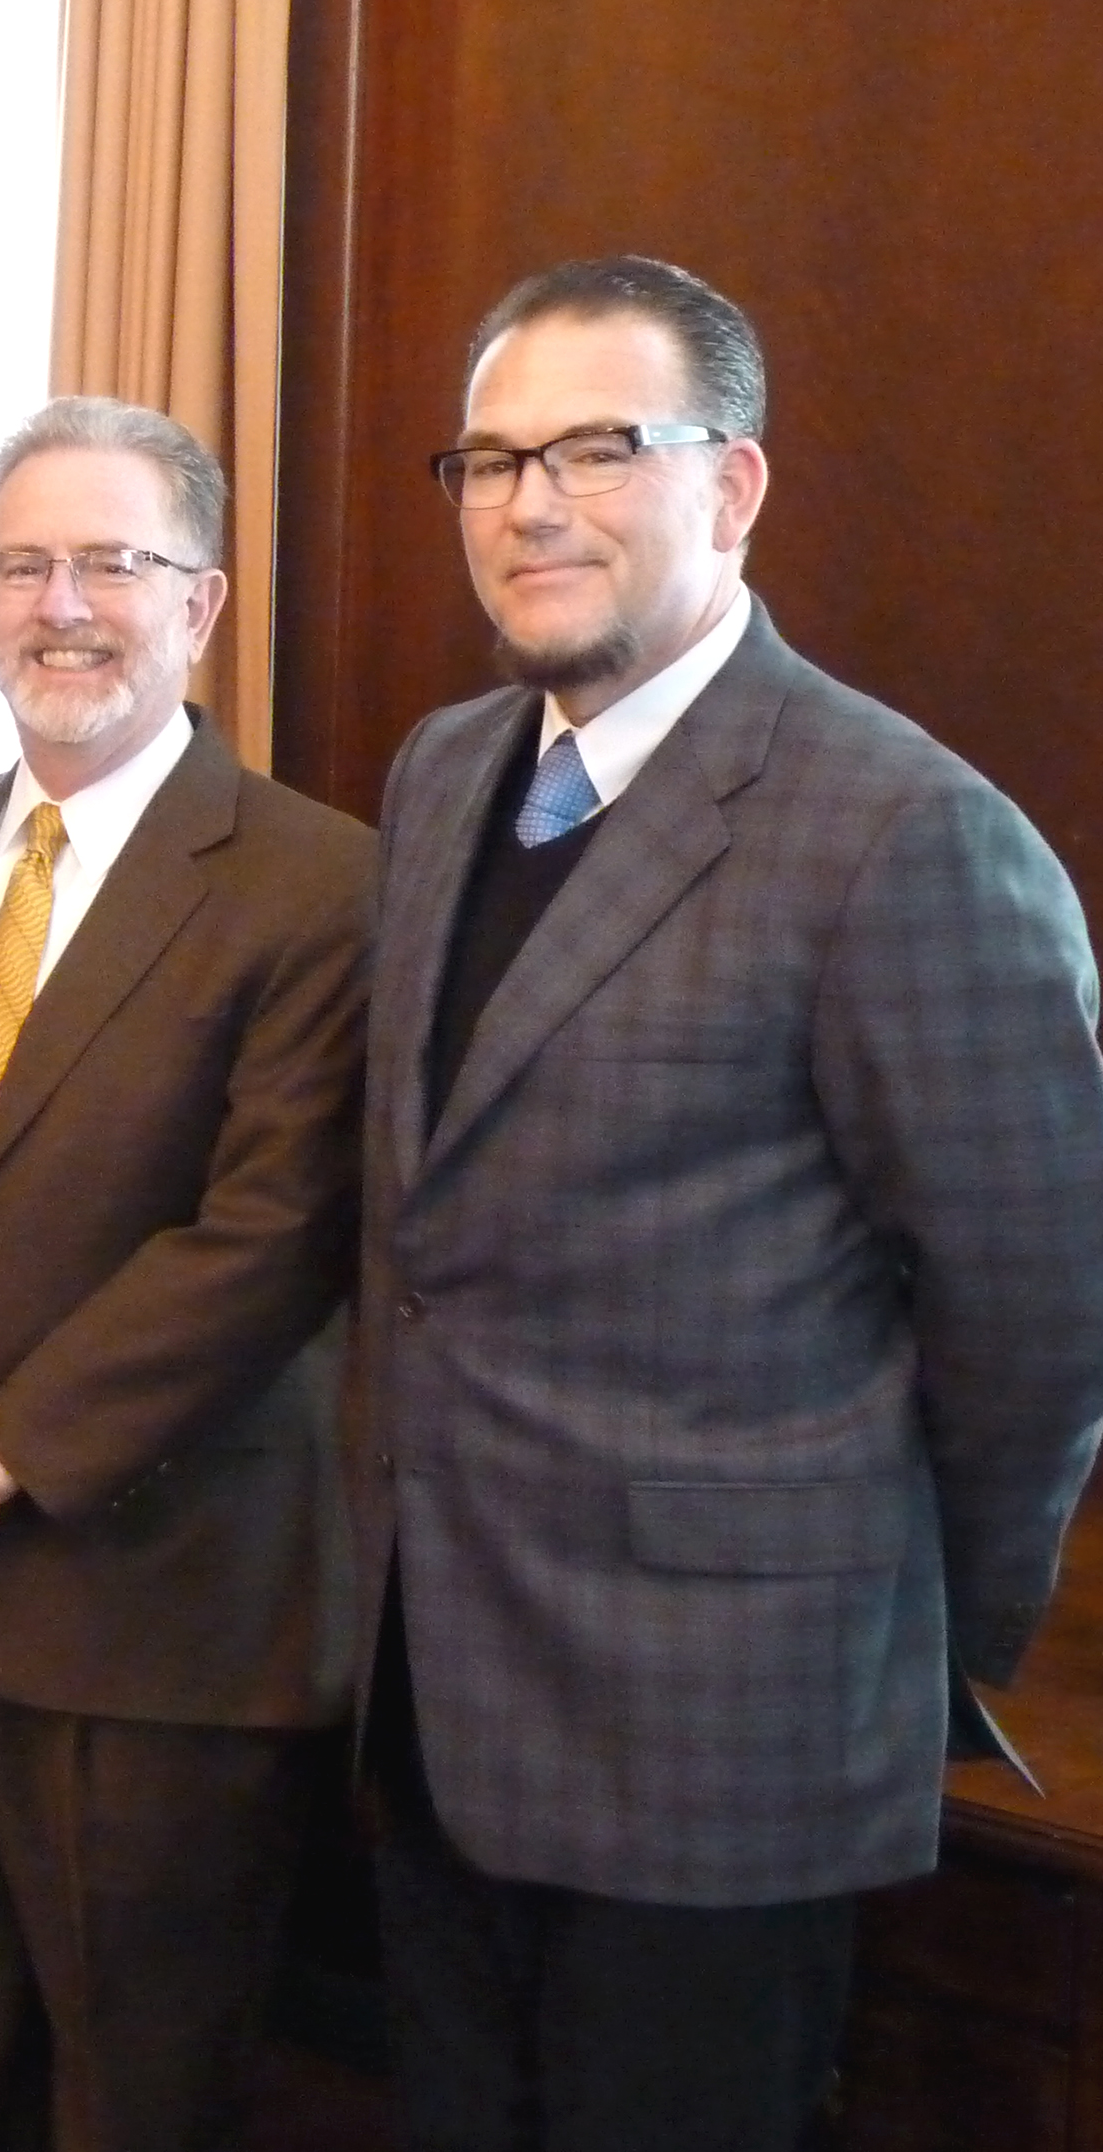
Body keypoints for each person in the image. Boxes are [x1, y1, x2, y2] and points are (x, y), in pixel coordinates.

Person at [357, 254, 1103, 2152]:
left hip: (719, 1744)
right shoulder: (447, 776)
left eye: (601, 450)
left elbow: (1043, 1323)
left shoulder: (903, 836)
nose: (532, 504)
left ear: (735, 485)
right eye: (492, 459)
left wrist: (889, 1640)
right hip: (437, 1695)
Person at [0, 395, 372, 2152]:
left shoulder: (319, 885)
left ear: (206, 603)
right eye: (24, 564)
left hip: (149, 1615)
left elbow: (272, 1234)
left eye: (114, 560)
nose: (64, 603)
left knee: (142, 2097)